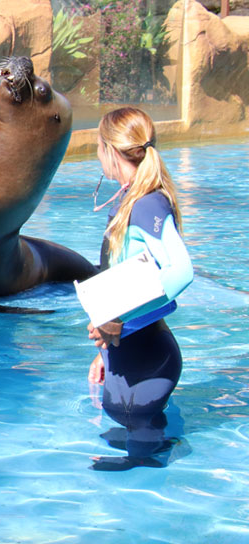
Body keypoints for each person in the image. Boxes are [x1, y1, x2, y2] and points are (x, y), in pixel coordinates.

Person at [85, 107, 193, 470]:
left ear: (110, 151)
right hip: (125, 358)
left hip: (148, 361)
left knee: (142, 455)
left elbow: (181, 270)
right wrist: (105, 350)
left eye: (98, 146)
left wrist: (118, 318)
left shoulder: (148, 204)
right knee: (123, 433)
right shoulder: (133, 198)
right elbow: (124, 279)